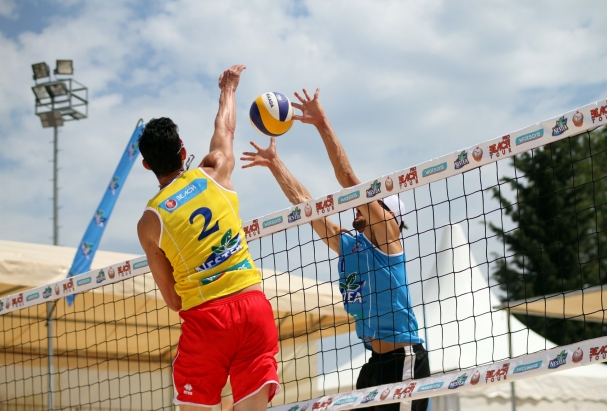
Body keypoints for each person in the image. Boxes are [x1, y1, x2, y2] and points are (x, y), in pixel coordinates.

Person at [241, 88, 429, 411]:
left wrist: (321, 122)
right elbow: (305, 205)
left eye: (372, 204)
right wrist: (275, 164)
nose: (360, 206)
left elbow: (347, 178)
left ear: (387, 215)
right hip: (374, 364)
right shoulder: (350, 247)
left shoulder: (388, 237)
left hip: (404, 360)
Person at [137, 65, 279, 411]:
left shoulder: (150, 222)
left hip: (207, 321)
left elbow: (174, 300)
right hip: (252, 307)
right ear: (183, 151)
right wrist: (229, 88)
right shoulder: (216, 169)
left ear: (147, 165)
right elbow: (225, 128)